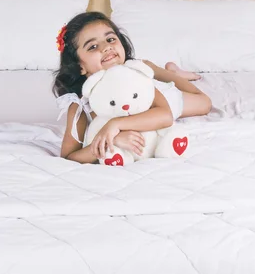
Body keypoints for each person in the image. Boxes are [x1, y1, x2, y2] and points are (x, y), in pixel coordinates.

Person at [53, 11, 212, 163]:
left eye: (110, 39)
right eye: (93, 46)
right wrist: (110, 140)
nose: (106, 47)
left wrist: (115, 125)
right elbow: (69, 157)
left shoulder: (137, 78)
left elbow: (165, 116)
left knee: (204, 103)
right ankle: (166, 71)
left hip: (165, 99)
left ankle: (172, 73)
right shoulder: (79, 105)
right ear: (80, 66)